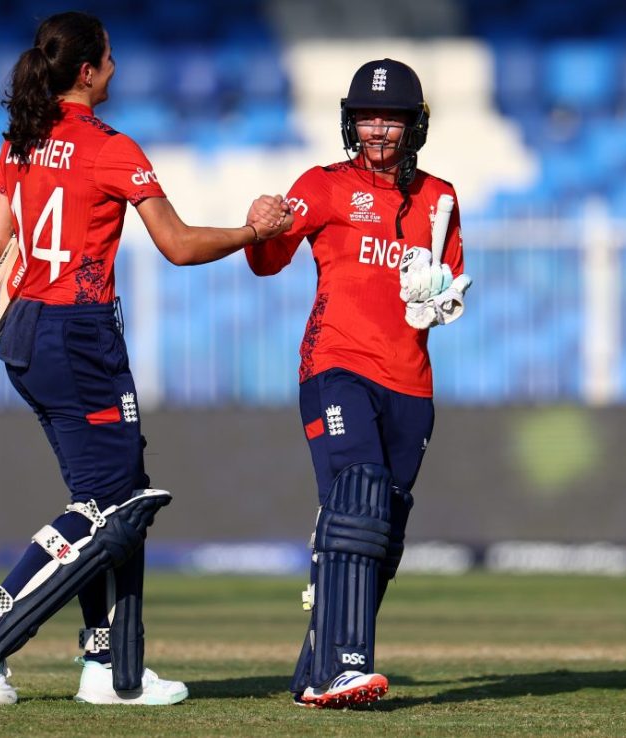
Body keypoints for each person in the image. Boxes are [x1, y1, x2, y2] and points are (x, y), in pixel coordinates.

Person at [0, 11, 291, 707]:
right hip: (79, 331)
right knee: (116, 502)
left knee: (107, 498)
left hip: (26, 331)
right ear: (87, 69)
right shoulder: (111, 147)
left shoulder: (22, 138)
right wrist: (255, 230)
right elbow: (179, 246)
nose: (118, 66)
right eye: (110, 56)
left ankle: (109, 667)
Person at [245, 59, 471, 708]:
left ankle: (316, 670)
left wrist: (436, 296)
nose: (378, 131)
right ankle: (346, 666)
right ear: (350, 121)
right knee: (358, 493)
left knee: (386, 528)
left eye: (391, 119)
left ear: (413, 125)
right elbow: (267, 259)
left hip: (410, 385)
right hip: (336, 366)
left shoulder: (440, 198)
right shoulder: (322, 185)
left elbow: (449, 291)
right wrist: (258, 224)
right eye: (368, 118)